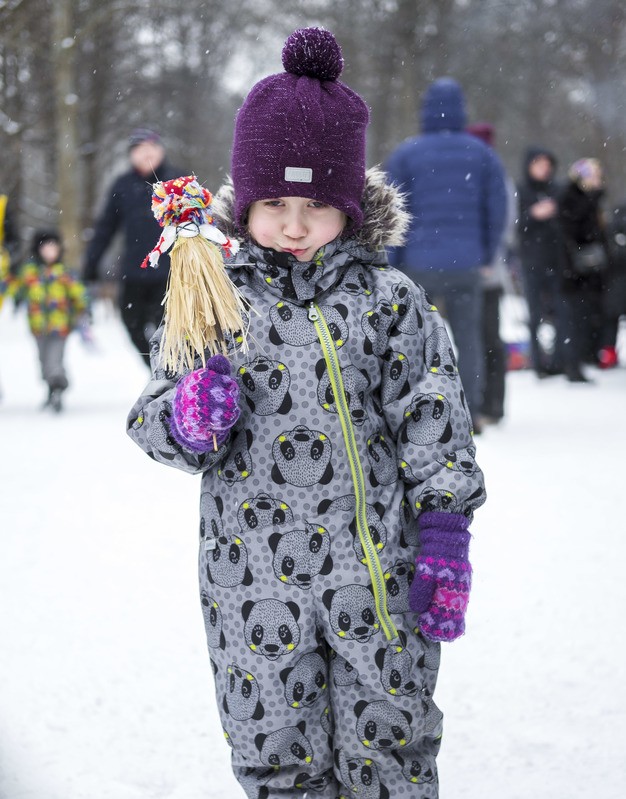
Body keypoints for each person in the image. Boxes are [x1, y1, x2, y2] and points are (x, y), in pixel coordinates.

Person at [127, 28, 485, 798]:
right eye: (277, 203)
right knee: (276, 755)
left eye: (316, 205)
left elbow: (435, 417)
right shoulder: (213, 301)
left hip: (377, 581)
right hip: (251, 585)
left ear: (348, 208)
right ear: (246, 201)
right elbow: (149, 413)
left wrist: (446, 534)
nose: (294, 224)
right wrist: (188, 417)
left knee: (390, 744)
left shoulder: (390, 302)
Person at [384, 78, 507, 431]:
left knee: (415, 341)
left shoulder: (407, 153)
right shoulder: (481, 154)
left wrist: (395, 262)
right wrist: (486, 254)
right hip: (466, 264)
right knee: (469, 340)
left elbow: (392, 212)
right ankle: (471, 412)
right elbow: (497, 210)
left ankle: (417, 412)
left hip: (419, 265)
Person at [82, 128, 181, 365]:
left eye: (151, 148)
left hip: (170, 273)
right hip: (134, 271)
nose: (146, 154)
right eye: (139, 149)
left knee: (166, 329)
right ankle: (156, 369)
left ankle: (169, 370)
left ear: (161, 151)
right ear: (131, 155)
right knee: (131, 323)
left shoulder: (177, 182)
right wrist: (91, 263)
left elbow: (199, 224)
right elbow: (106, 227)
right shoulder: (122, 186)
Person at [466, 122, 518, 425]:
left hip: (488, 273)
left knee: (487, 338)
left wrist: (491, 258)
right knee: (476, 338)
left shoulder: (496, 175)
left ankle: (492, 403)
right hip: (469, 271)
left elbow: (505, 225)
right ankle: (479, 400)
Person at [14, 230, 87, 412]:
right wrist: (16, 297)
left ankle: (58, 385)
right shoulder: (30, 272)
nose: (50, 252)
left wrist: (83, 308)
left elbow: (78, 293)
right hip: (38, 326)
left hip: (59, 326)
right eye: (46, 248)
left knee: (54, 358)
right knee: (43, 359)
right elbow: (18, 288)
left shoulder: (64, 273)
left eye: (53, 247)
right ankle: (51, 387)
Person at [516, 146, 569, 379]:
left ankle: (559, 360)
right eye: (539, 164)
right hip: (531, 261)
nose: (544, 169)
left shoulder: (558, 190)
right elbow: (515, 226)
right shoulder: (521, 190)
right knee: (534, 314)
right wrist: (532, 215)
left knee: (560, 311)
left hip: (557, 260)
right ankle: (538, 362)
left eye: (547, 164)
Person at [558, 158, 609, 382]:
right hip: (573, 270)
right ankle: (572, 363)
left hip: (587, 270)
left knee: (588, 317)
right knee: (574, 319)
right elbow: (576, 230)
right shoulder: (573, 198)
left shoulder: (591, 199)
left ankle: (583, 358)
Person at [601, 199, 626, 368]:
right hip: (618, 277)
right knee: (612, 317)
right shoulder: (619, 214)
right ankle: (608, 353)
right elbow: (612, 249)